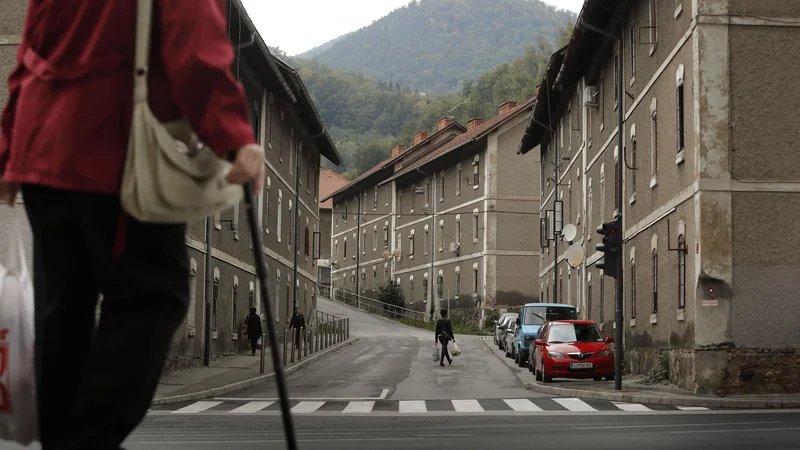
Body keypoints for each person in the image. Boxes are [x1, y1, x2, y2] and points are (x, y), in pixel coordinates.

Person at [0, 1, 263, 448]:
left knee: (64, 308)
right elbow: (195, 44)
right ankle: (84, 441)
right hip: (115, 151)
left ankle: (61, 437)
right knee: (154, 294)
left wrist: (9, 150)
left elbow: (31, 52)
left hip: (43, 148)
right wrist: (234, 135)